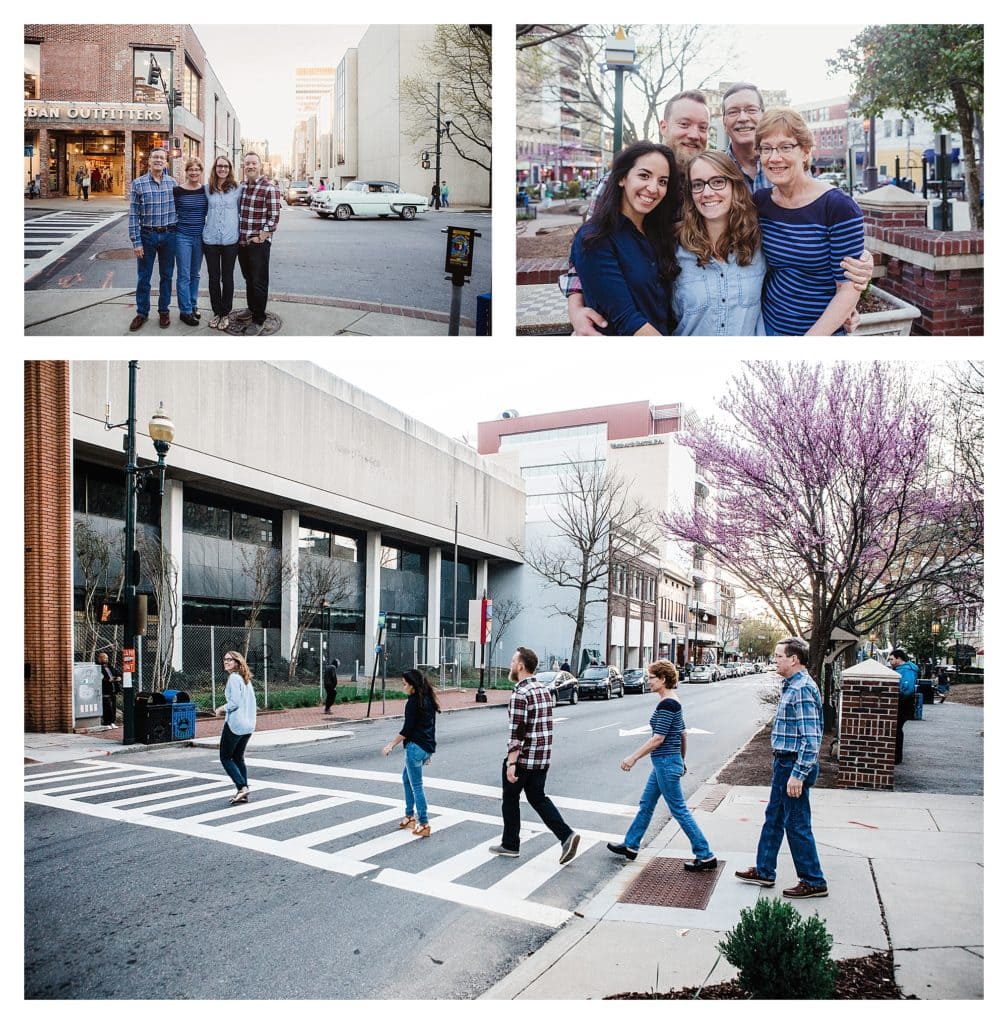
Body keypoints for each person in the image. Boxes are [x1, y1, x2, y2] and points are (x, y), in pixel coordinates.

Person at [754, 107, 864, 335]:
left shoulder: (837, 206)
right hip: (768, 329)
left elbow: (848, 287)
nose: (774, 158)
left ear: (805, 151)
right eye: (766, 149)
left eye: (785, 147)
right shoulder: (760, 203)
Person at [735, 637, 828, 898]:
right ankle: (764, 870)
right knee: (774, 817)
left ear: (793, 659)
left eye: (778, 656)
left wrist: (798, 774)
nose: (774, 660)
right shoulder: (792, 685)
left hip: (793, 764)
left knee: (796, 823)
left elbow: (811, 739)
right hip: (783, 762)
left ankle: (813, 880)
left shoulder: (801, 689)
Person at [607, 660, 718, 870]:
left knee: (679, 810)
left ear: (663, 679)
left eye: (651, 677)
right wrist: (682, 760)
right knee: (646, 804)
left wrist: (633, 757)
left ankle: (705, 855)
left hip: (665, 763)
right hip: (665, 763)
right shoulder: (673, 701)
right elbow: (683, 734)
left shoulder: (668, 703)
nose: (648, 681)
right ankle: (631, 845)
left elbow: (658, 738)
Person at [569, 140, 681, 336]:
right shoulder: (595, 237)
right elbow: (627, 320)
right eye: (644, 176)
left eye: (662, 181)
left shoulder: (658, 234)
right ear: (622, 177)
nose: (653, 188)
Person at [490, 646, 581, 864]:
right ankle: (566, 835)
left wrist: (511, 764)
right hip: (542, 759)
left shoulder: (521, 694)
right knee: (538, 798)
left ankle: (510, 844)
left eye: (513, 661)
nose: (511, 665)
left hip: (523, 759)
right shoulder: (544, 690)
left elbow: (517, 732)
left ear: (520, 666)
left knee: (510, 799)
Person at [673, 151, 766, 335]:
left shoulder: (759, 243)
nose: (707, 193)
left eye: (717, 182)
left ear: (734, 186)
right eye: (698, 185)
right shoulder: (673, 248)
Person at [382, 668, 440, 838]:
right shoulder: (428, 699)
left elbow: (407, 730)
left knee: (416, 786)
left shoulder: (413, 702)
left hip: (415, 748)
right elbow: (431, 727)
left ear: (413, 685)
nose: (404, 687)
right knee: (406, 779)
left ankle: (424, 823)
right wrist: (429, 751)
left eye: (405, 684)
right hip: (424, 747)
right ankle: (409, 816)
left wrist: (391, 745)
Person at [128, 148, 177, 332]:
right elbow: (133, 215)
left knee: (167, 276)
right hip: (147, 236)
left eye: (162, 158)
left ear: (166, 162)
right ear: (149, 161)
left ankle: (164, 310)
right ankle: (142, 312)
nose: (158, 160)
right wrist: (136, 242)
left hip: (169, 235)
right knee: (144, 277)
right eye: (155, 157)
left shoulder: (173, 183)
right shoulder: (138, 184)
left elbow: (179, 210)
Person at [236, 152, 281, 335]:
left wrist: (261, 237)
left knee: (259, 282)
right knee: (248, 279)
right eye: (247, 163)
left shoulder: (269, 187)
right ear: (244, 166)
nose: (250, 166)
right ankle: (251, 308)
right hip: (242, 242)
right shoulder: (242, 187)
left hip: (258, 244)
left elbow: (274, 217)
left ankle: (259, 319)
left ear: (260, 165)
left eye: (254, 163)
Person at [203, 155, 242, 331]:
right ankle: (216, 312)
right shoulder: (207, 189)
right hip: (210, 240)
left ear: (230, 169)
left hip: (230, 241)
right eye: (219, 166)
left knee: (227, 278)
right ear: (215, 168)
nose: (223, 169)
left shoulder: (237, 189)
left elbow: (243, 211)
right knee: (213, 278)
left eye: (226, 166)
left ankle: (225, 313)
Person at [214, 651, 256, 804]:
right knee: (238, 757)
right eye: (224, 659)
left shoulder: (233, 678)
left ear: (237, 662)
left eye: (230, 660)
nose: (226, 662)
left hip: (235, 724)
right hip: (249, 725)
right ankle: (243, 791)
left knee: (225, 757)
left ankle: (242, 787)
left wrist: (221, 708)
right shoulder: (246, 680)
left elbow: (235, 703)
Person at [173, 157, 209, 327]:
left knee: (195, 274)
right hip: (182, 237)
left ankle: (193, 305)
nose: (194, 172)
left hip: (200, 237)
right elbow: (171, 213)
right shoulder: (177, 191)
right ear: (186, 172)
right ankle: (185, 311)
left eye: (197, 169)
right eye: (191, 170)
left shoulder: (205, 191)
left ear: (201, 172)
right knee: (184, 275)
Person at [721, 81, 769, 193]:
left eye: (751, 110)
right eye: (733, 112)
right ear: (724, 122)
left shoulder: (786, 164)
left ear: (763, 116)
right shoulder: (715, 169)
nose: (743, 118)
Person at [889, 649, 920, 765]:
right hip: (906, 703)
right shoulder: (909, 669)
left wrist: (899, 696)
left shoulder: (905, 670)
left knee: (897, 730)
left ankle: (897, 757)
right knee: (897, 729)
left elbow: (907, 689)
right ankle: (896, 756)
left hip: (903, 703)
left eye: (892, 659)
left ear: (898, 659)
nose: (890, 662)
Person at [97, 652, 121, 727]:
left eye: (107, 658)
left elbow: (117, 673)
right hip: (105, 689)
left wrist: (119, 677)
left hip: (113, 689)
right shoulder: (98, 667)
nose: (106, 659)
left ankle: (112, 722)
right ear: (100, 658)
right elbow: (99, 678)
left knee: (113, 706)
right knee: (107, 706)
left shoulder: (110, 666)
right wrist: (108, 680)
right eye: (104, 658)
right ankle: (107, 722)